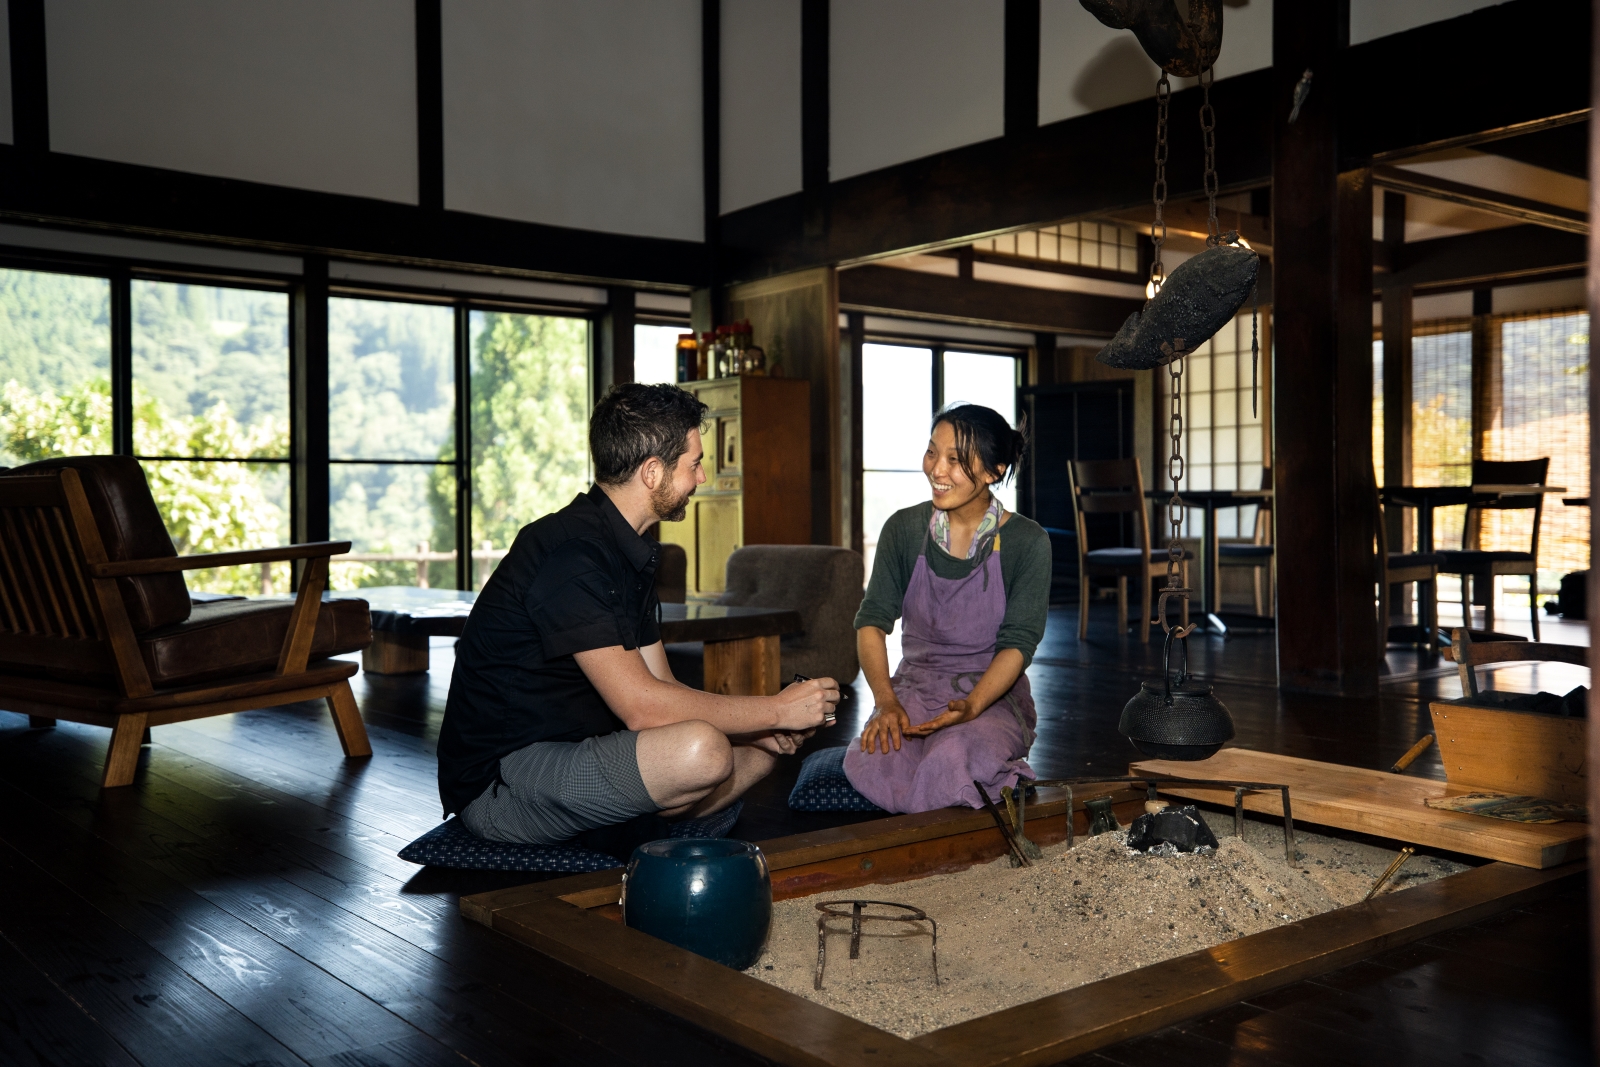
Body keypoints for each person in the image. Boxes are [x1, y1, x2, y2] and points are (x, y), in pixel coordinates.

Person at [436, 383, 839, 855]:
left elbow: (664, 688)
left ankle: (630, 823)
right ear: (653, 472)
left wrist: (764, 728)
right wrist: (776, 709)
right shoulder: (572, 555)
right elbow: (643, 709)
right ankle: (633, 825)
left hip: (577, 750)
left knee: (760, 752)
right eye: (693, 464)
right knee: (703, 750)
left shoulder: (629, 550)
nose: (703, 477)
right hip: (503, 781)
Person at [843, 404, 1050, 813]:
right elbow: (871, 622)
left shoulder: (1028, 541)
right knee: (877, 762)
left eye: (955, 460)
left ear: (994, 471)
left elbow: (1018, 645)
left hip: (990, 696)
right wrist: (886, 702)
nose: (937, 469)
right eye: (932, 452)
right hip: (914, 689)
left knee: (950, 760)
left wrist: (972, 706)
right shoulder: (903, 529)